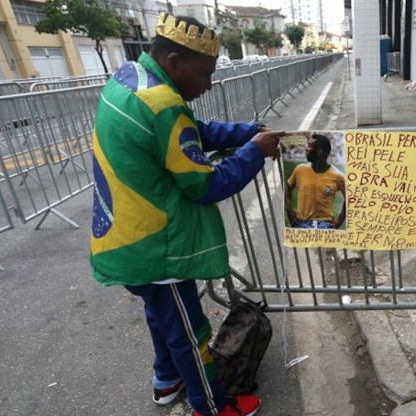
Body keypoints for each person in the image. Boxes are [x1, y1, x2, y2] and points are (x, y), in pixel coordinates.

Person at [89, 13, 284, 416]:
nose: (209, 84)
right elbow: (205, 185)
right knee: (190, 333)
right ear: (175, 63)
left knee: (162, 317)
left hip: (124, 238)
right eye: (205, 73)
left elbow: (191, 132)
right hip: (156, 245)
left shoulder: (131, 78)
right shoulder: (163, 104)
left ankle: (167, 380)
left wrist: (247, 131)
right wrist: (254, 152)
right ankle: (211, 406)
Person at [285, 133, 346, 229]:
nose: (306, 149)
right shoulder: (300, 170)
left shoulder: (338, 176)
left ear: (319, 152)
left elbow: (350, 197)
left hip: (325, 226)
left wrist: (339, 220)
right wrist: (289, 211)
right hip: (301, 224)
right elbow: (288, 186)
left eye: (309, 146)